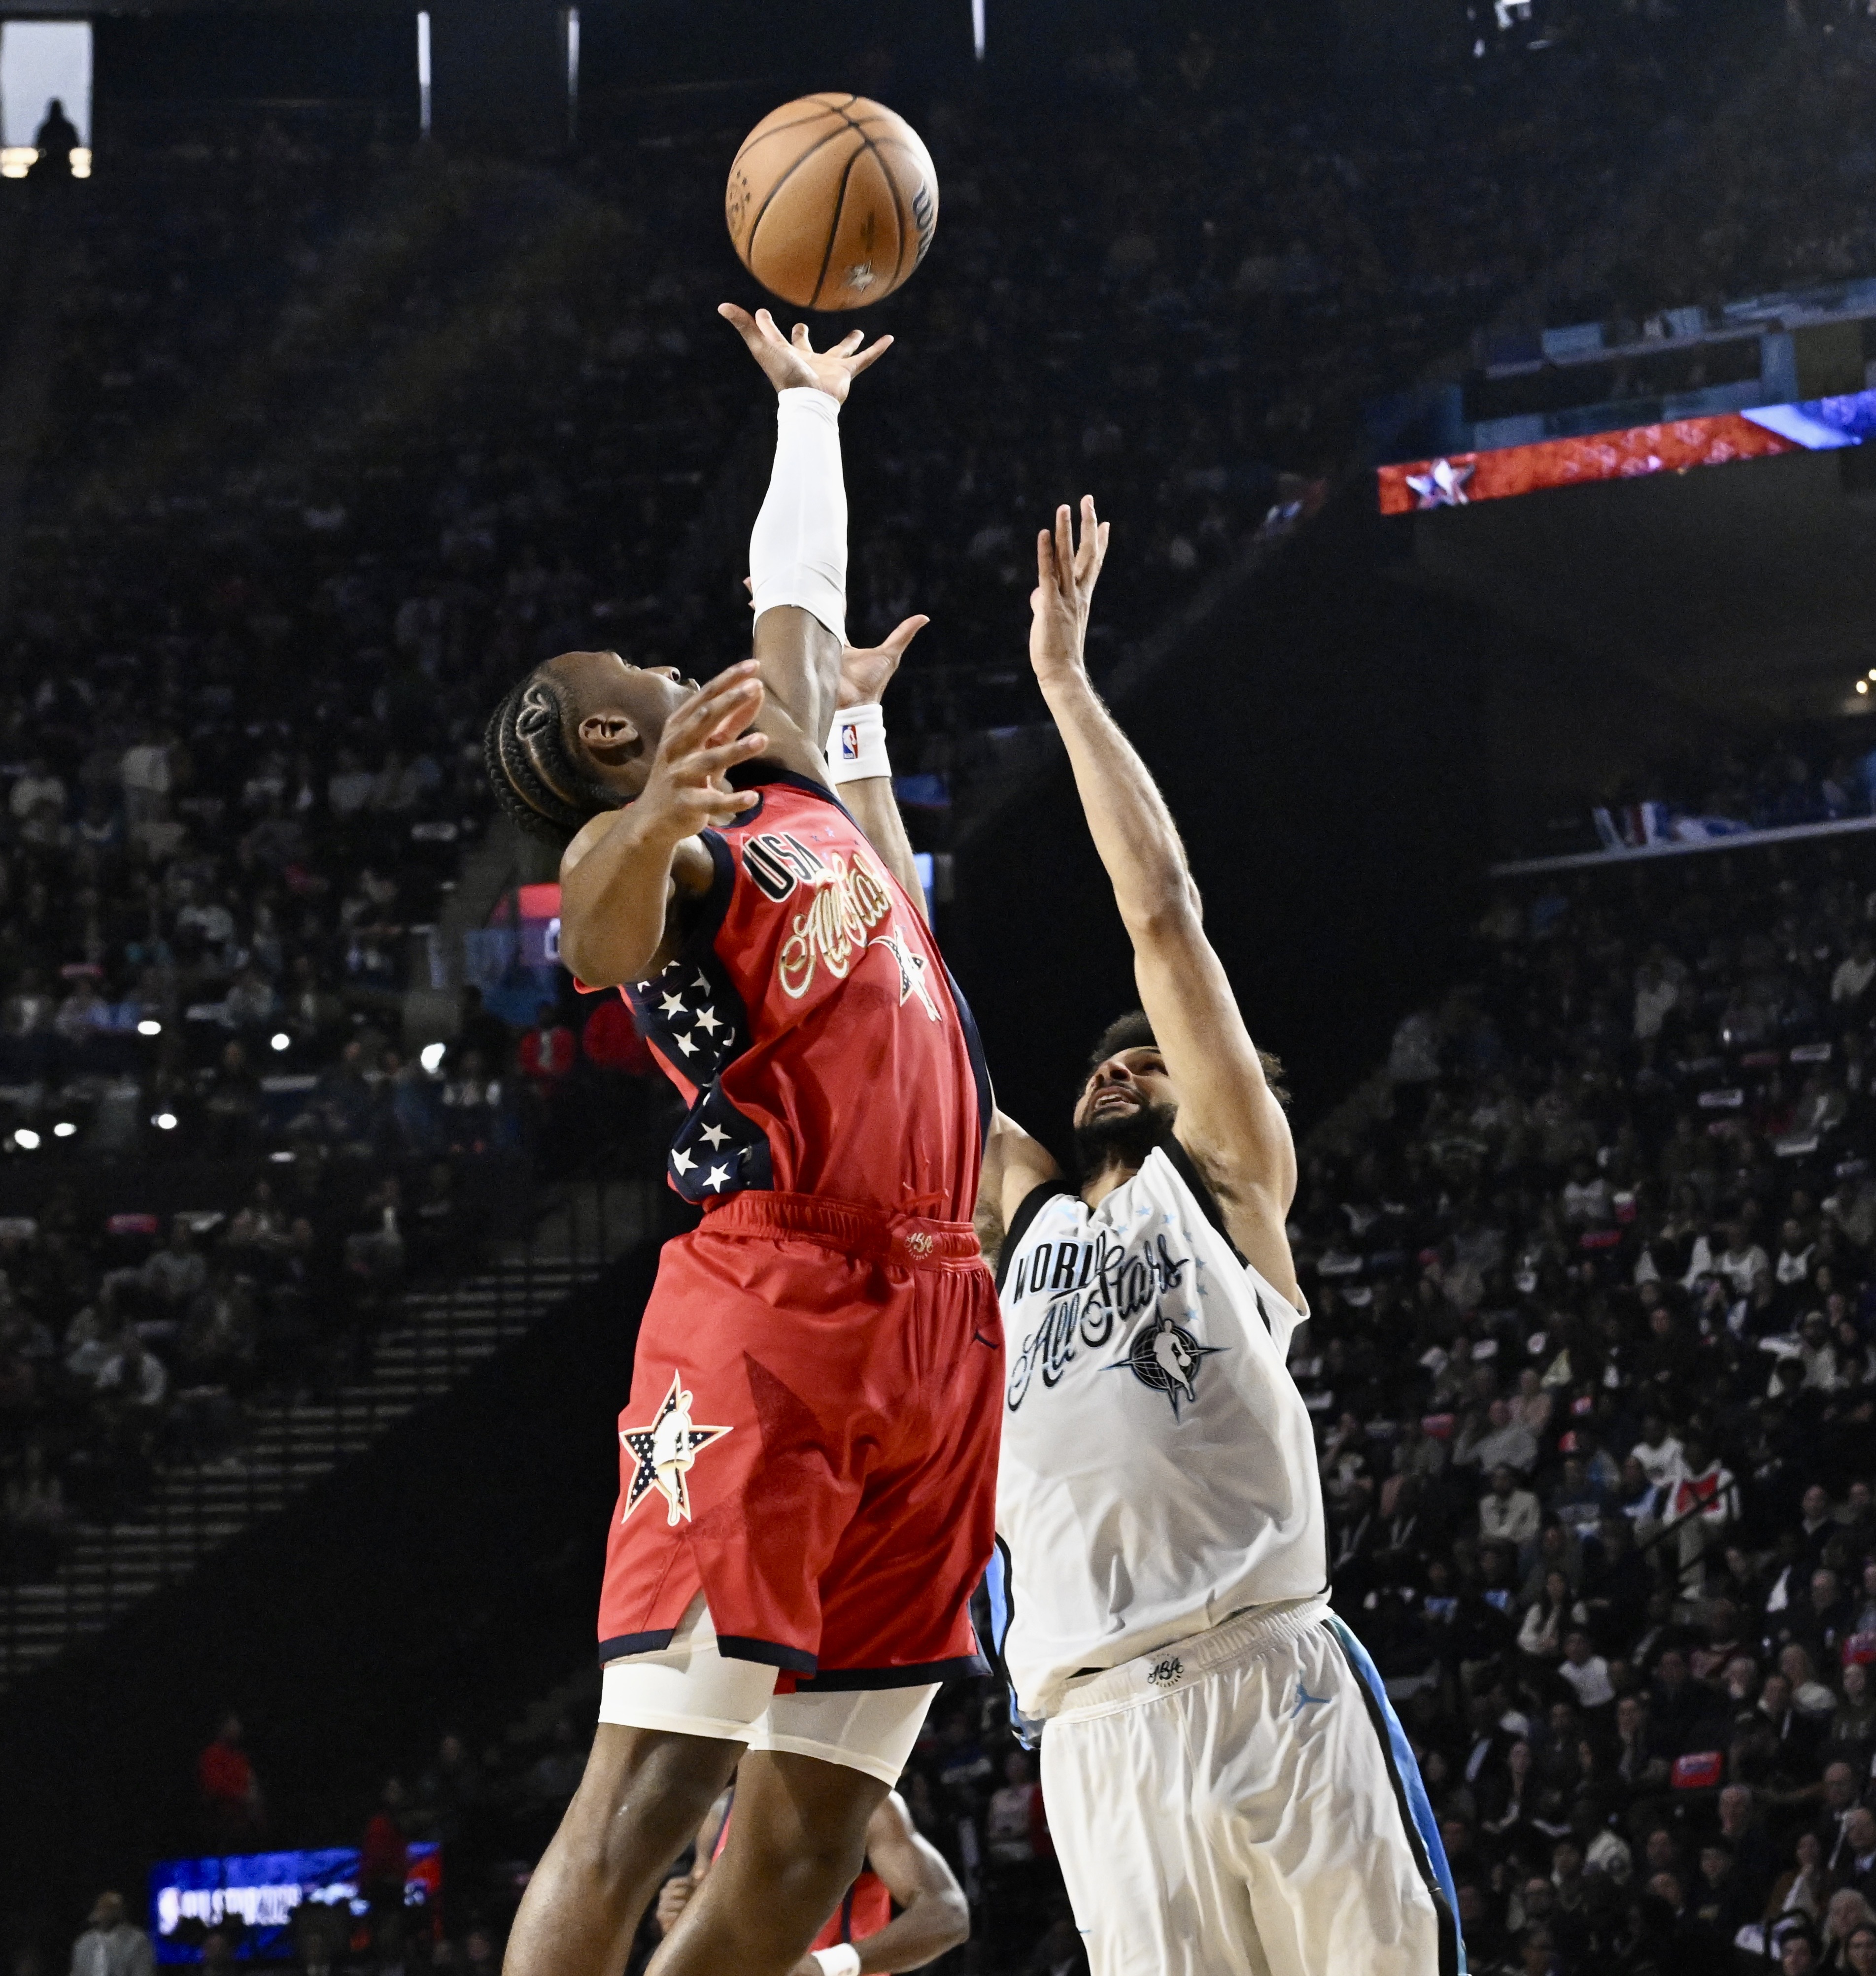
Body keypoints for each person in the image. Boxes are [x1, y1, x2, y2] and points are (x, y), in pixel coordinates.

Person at [484, 307, 1001, 1976]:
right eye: (613, 678)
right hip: (772, 1312)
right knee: (652, 1788)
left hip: (939, 1315)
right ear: (615, 744)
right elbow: (594, 945)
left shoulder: (785, 769)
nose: (646, 653)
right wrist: (628, 834)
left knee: (801, 1848)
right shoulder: (677, 855)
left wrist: (804, 413)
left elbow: (801, 598)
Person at [974, 500, 1463, 1975]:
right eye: (1102, 1060)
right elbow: (915, 1022)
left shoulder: (1235, 1185)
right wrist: (853, 755)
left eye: (1152, 1060)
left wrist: (1065, 685)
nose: (1118, 1066)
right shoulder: (1025, 1217)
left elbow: (1166, 919)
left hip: (1271, 1679)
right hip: (1097, 1726)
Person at [654, 1785, 969, 1973]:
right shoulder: (724, 1808)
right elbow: (714, 1929)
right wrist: (680, 1921)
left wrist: (826, 1967)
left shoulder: (868, 1804)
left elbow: (948, 1914)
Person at [69, 1893, 153, 1976]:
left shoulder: (137, 1941)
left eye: (109, 1909)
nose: (104, 1913)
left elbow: (143, 1972)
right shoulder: (84, 1943)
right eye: (102, 1908)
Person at [30, 99, 79, 178]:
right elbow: (76, 144)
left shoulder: (46, 128)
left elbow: (38, 146)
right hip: (62, 162)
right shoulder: (68, 128)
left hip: (58, 161)